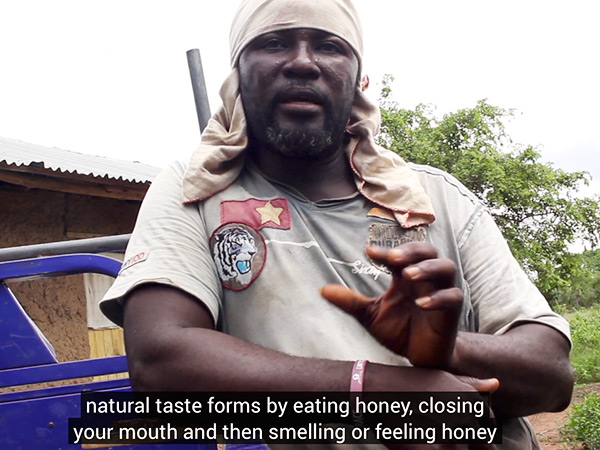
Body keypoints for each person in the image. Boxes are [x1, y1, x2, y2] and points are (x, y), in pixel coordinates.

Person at [100, 0, 573, 448]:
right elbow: (160, 363)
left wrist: (447, 349)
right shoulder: (196, 191)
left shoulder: (437, 199)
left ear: (358, 80)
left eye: (329, 46)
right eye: (275, 42)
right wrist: (375, 389)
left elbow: (551, 375)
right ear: (237, 76)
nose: (303, 62)